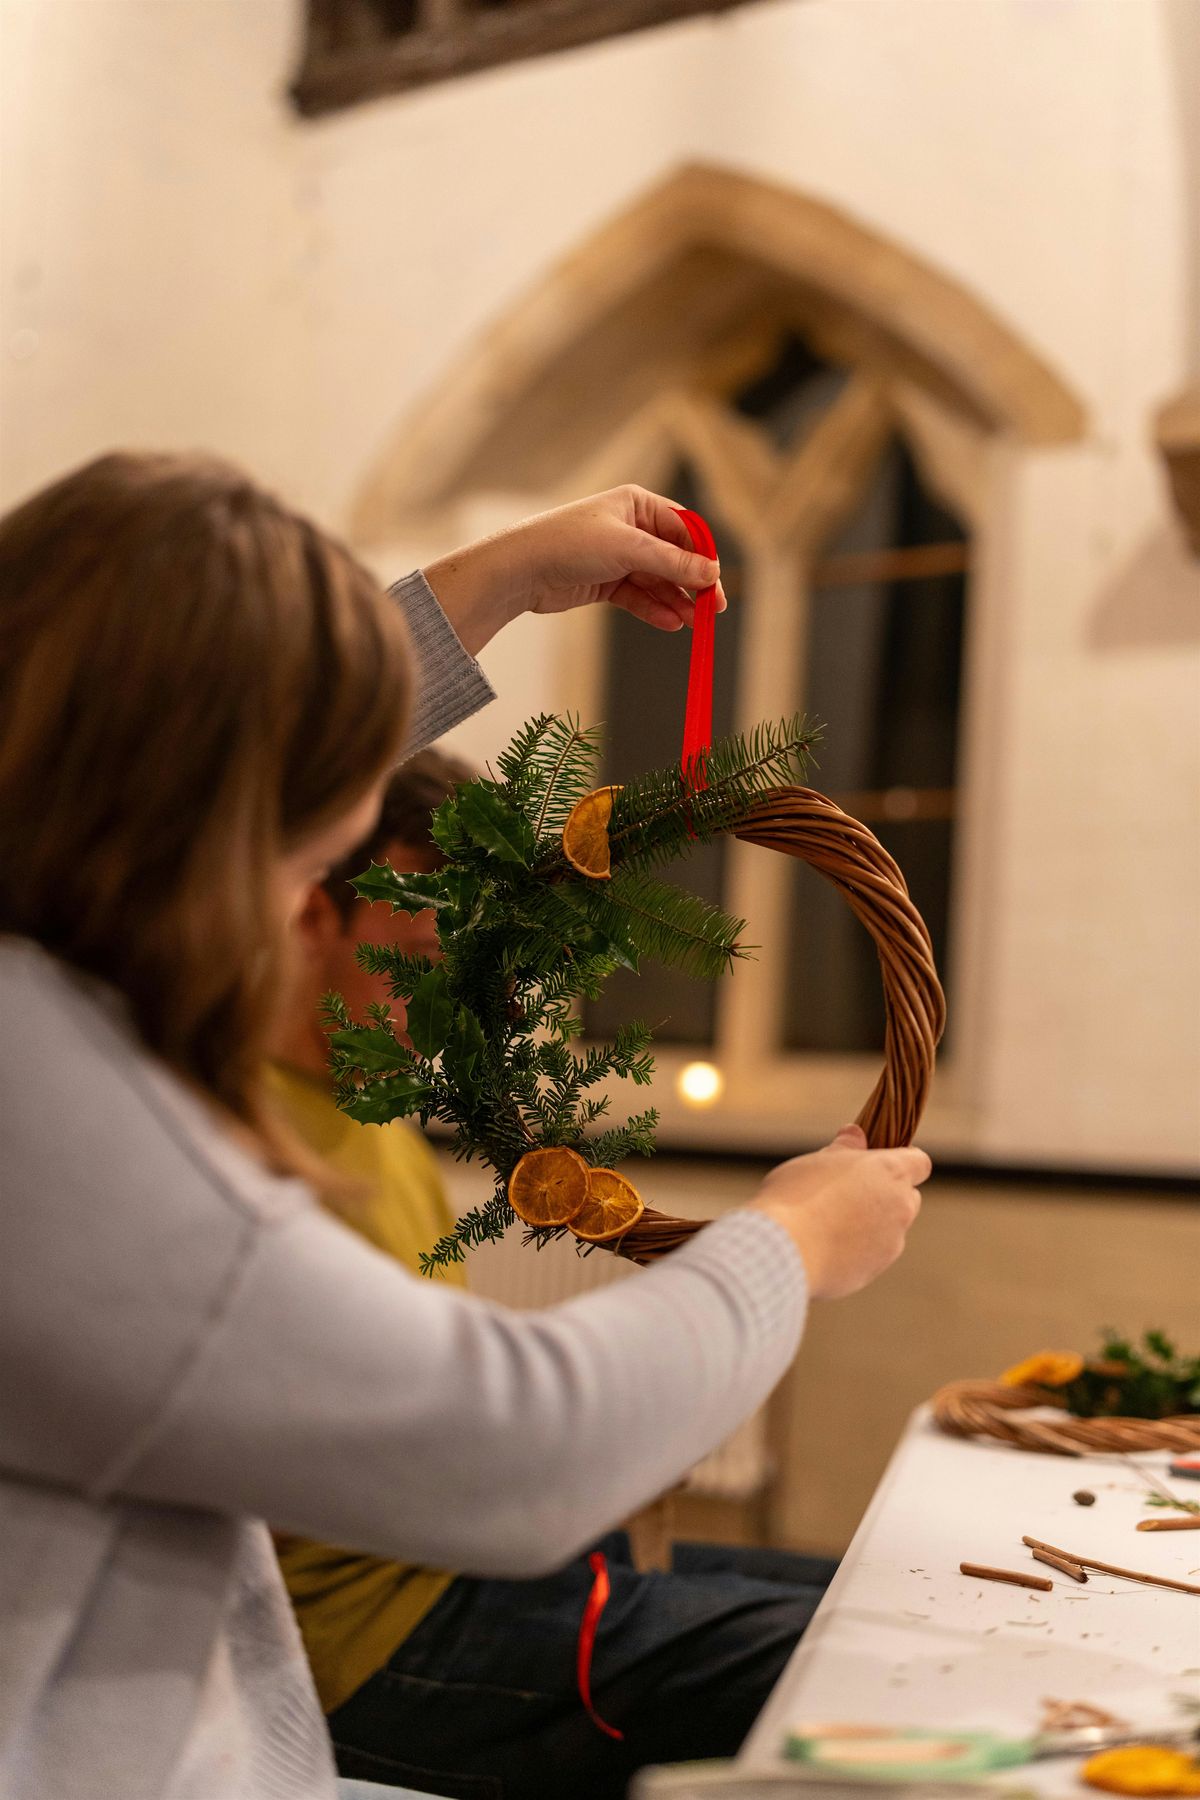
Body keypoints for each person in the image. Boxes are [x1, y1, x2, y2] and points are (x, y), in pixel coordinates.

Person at [0, 452, 930, 1800]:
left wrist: (493, 583)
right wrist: (791, 1242)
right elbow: (524, 1450)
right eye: (299, 865)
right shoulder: (55, 1108)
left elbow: (263, 757)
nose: (291, 914)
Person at [269, 751, 841, 1799]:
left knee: (865, 1600)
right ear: (314, 918)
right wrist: (795, 1239)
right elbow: (465, 1458)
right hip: (373, 1642)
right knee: (834, 1666)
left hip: (475, 1567)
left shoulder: (371, 1102)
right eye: (426, 948)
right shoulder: (256, 1150)